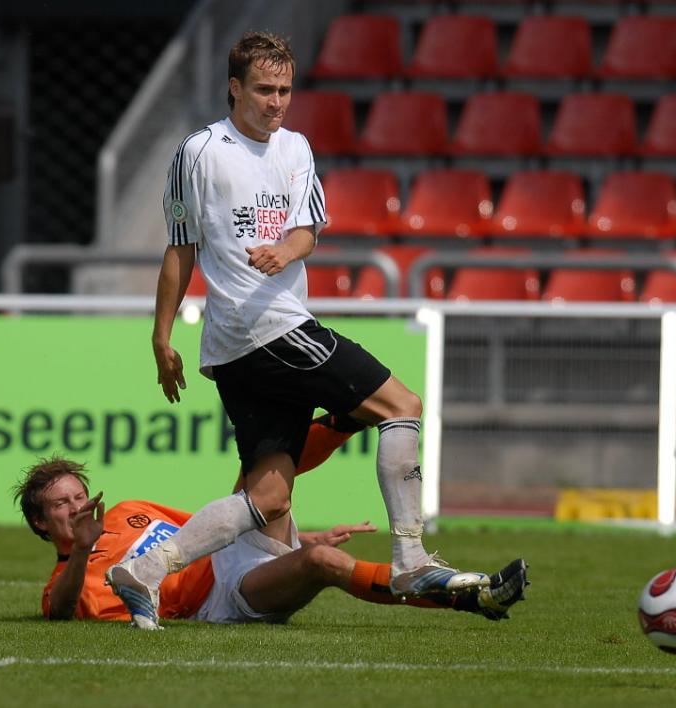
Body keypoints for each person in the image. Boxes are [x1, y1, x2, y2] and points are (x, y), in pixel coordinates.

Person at [106, 30, 491, 629]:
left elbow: (309, 229)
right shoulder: (201, 151)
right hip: (265, 327)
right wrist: (161, 337)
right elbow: (179, 249)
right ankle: (411, 558)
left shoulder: (296, 148)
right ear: (235, 89)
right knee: (401, 404)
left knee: (268, 500)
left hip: (244, 348)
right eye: (264, 89)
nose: (276, 101)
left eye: (285, 89)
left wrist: (287, 250)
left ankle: (146, 570)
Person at [14, 455, 529, 627]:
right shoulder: (68, 581)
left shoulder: (129, 512)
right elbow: (58, 615)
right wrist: (81, 549)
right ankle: (471, 594)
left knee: (267, 479)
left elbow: (216, 524)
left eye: (79, 494)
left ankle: (352, 414)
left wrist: (301, 534)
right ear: (41, 524)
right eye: (61, 504)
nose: (78, 506)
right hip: (220, 598)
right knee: (323, 563)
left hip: (228, 552)